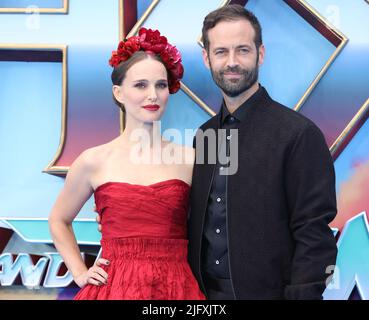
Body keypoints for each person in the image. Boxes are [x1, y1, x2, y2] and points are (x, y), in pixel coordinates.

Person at [186, 5, 338, 300]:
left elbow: (314, 232)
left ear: (261, 53)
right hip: (202, 297)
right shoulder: (204, 135)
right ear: (206, 59)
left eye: (242, 50)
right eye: (221, 52)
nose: (232, 62)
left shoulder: (298, 134)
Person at [48, 27, 205, 300]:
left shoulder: (191, 159)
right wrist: (79, 271)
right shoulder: (93, 160)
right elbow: (59, 219)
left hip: (176, 287)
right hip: (113, 287)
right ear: (119, 93)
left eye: (160, 85)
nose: (153, 95)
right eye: (140, 85)